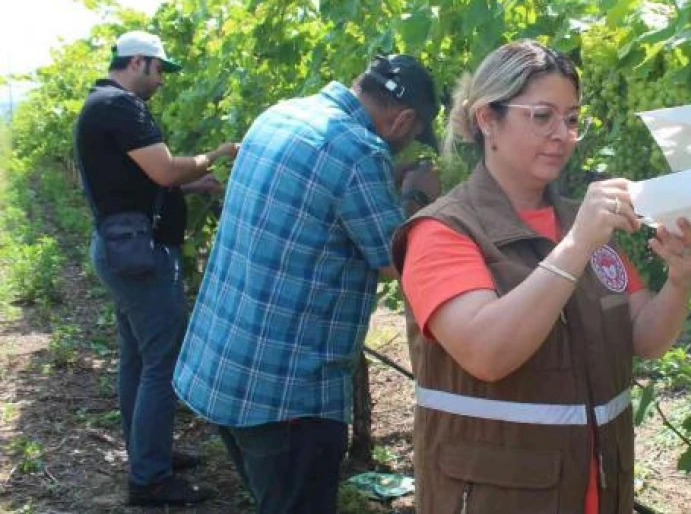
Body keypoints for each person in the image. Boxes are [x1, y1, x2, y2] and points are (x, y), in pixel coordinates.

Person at [392, 40, 691, 513]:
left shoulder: (580, 222)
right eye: (541, 116)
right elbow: (487, 353)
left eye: (571, 119)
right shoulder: (443, 231)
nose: (562, 135)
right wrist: (577, 244)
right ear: (488, 120)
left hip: (596, 491)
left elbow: (644, 336)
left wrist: (680, 277)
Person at [173, 54, 441, 514]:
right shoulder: (359, 152)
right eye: (414, 137)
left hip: (225, 370)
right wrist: (417, 191)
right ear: (404, 120)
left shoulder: (282, 114)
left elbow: (322, 198)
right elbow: (397, 261)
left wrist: (387, 180)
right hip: (288, 398)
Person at [74, 30, 238, 507]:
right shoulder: (119, 107)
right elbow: (164, 170)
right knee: (163, 361)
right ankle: (149, 478)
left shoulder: (101, 104)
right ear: (140, 62)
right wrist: (217, 154)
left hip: (124, 249)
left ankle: (150, 452)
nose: (163, 80)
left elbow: (133, 183)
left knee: (140, 358)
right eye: (160, 69)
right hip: (138, 256)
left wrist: (191, 188)